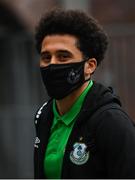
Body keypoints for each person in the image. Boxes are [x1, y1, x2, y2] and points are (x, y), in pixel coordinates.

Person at [34, 9, 135, 179]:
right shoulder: (44, 115)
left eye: (63, 56)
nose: (52, 65)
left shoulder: (112, 123)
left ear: (90, 66)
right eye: (46, 57)